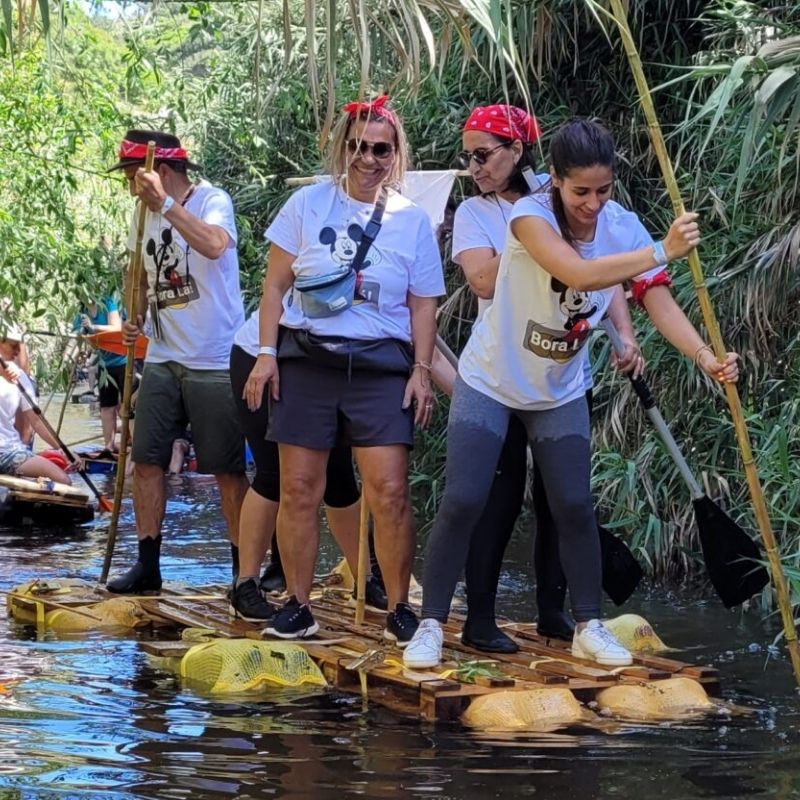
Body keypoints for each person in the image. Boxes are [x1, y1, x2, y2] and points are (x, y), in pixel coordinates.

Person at [404, 118, 732, 669]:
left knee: (575, 506)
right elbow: (579, 275)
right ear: (554, 179)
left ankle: (587, 625)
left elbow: (657, 301)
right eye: (581, 191)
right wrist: (662, 249)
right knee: (464, 499)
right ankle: (431, 623)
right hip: (492, 379)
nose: (593, 205)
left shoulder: (621, 225)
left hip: (558, 389)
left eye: (603, 190)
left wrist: (705, 357)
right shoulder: (529, 216)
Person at [246, 95, 444, 641]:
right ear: (342, 148)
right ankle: (298, 604)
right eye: (358, 147)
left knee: (390, 490)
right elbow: (274, 287)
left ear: (395, 155)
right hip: (307, 360)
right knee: (299, 488)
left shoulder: (411, 221)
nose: (368, 159)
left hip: (380, 366)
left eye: (380, 149)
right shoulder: (307, 205)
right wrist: (266, 355)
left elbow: (423, 304)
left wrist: (421, 370)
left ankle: (399, 607)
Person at [106, 129, 249, 594]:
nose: (130, 187)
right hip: (164, 356)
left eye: (133, 176)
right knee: (146, 461)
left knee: (226, 469)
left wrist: (166, 205)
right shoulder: (142, 213)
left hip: (214, 357)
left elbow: (214, 245)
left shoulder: (212, 200)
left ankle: (243, 574)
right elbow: (137, 275)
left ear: (160, 172)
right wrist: (135, 318)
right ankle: (148, 565)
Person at [228, 311, 386, 622]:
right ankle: (245, 585)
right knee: (275, 474)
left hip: (326, 365)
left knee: (339, 477)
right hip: (266, 357)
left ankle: (366, 581)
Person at [0, 324, 74, 484]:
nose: (18, 351)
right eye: (13, 346)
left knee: (63, 480)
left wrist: (64, 450)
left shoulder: (19, 376)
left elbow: (37, 421)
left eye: (19, 346)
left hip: (10, 450)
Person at [74, 296, 127, 457]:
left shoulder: (108, 301)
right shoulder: (81, 311)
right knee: (106, 406)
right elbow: (77, 334)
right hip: (104, 364)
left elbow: (116, 328)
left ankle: (132, 444)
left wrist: (93, 327)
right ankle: (109, 446)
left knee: (127, 406)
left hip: (124, 359)